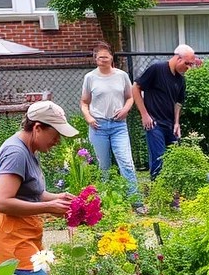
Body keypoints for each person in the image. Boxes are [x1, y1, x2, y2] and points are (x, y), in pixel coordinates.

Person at [0, 101, 78, 275]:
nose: (58, 141)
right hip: (11, 237)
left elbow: (30, 194)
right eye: (56, 134)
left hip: (23, 233)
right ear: (38, 128)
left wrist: (57, 198)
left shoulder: (29, 150)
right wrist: (48, 206)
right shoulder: (16, 153)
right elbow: (0, 202)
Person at [80, 42, 144, 213]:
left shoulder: (121, 75)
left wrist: (125, 110)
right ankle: (106, 204)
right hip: (98, 126)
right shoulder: (90, 78)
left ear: (111, 57)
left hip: (118, 126)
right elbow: (84, 102)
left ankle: (136, 203)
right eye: (99, 57)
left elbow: (130, 97)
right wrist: (88, 118)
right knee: (104, 166)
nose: (103, 59)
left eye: (106, 56)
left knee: (127, 163)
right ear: (95, 59)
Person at [132, 44, 201, 179]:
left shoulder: (181, 79)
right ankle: (159, 195)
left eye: (191, 64)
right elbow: (136, 88)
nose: (188, 68)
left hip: (170, 125)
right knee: (159, 159)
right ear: (178, 58)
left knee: (174, 159)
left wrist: (176, 123)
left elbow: (178, 103)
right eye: (187, 64)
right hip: (154, 123)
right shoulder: (157, 69)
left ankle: (172, 194)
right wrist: (144, 115)